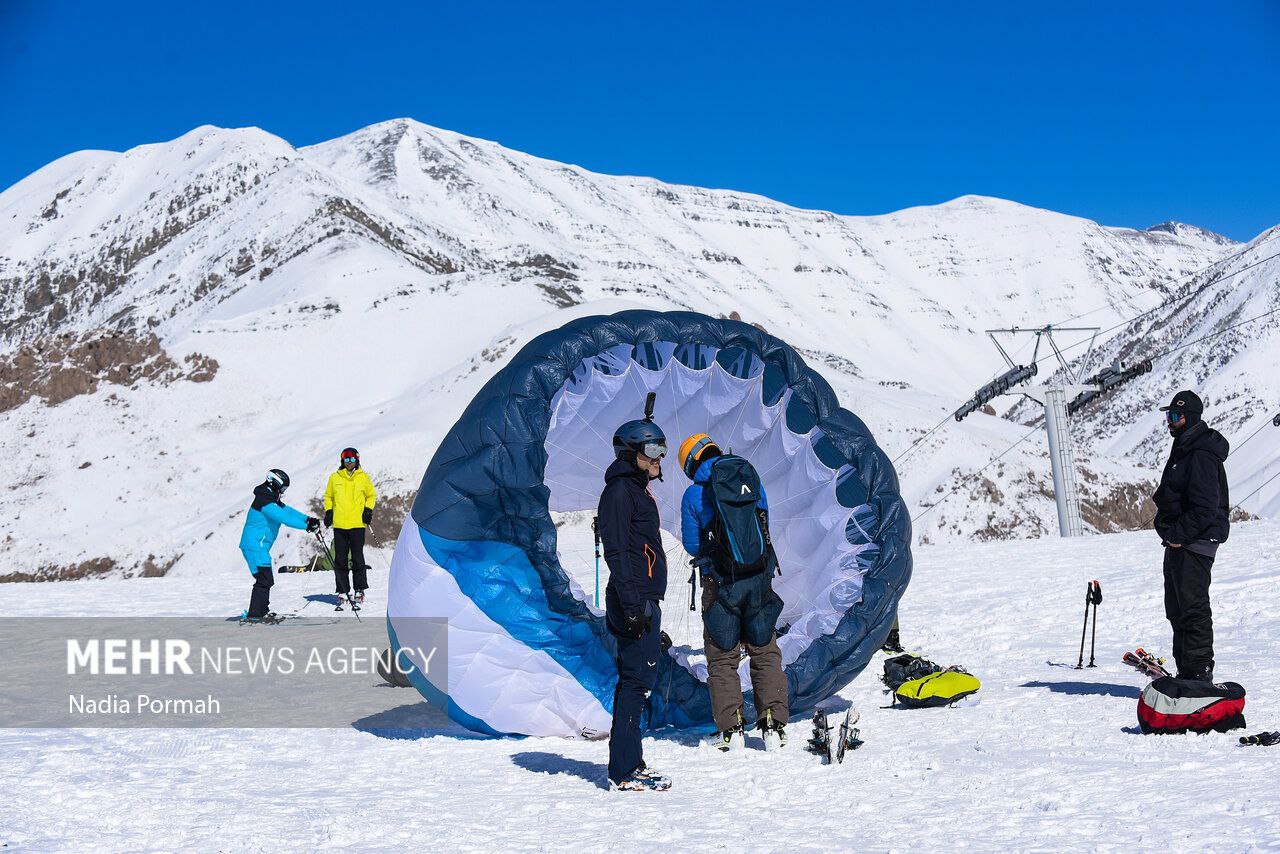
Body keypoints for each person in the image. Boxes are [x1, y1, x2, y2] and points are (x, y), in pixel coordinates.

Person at [677, 433, 788, 750]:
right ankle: (773, 725)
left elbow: (691, 544)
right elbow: (764, 520)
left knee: (722, 656)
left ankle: (731, 730)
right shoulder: (749, 477)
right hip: (759, 577)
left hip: (720, 583)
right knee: (764, 649)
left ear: (690, 463)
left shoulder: (694, 495)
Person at [597, 415, 671, 792]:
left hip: (644, 598)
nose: (660, 457)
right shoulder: (619, 492)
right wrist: (631, 605)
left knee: (641, 680)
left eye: (663, 449)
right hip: (633, 599)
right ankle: (623, 769)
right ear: (631, 452)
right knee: (634, 683)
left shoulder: (637, 489)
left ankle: (631, 761)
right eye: (653, 449)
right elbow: (618, 552)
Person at [1152, 390, 1230, 682]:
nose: (1169, 422)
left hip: (1194, 543)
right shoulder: (1184, 446)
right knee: (1176, 608)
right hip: (1181, 541)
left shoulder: (1200, 453)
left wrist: (1178, 535)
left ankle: (1198, 671)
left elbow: (1206, 507)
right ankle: (1185, 669)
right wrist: (1170, 532)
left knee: (1192, 607)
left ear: (1190, 418)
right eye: (1168, 416)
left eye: (1175, 416)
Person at [238, 469, 320, 624]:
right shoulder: (265, 502)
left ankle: (261, 612)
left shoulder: (269, 498)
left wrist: (308, 519)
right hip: (254, 546)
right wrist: (306, 526)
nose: (283, 492)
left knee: (265, 579)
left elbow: (287, 511)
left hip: (258, 546)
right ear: (273, 483)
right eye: (282, 488)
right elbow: (284, 518)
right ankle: (255, 614)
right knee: (264, 579)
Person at [323, 447, 378, 607]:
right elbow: (328, 496)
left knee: (357, 558)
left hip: (357, 524)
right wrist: (328, 511)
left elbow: (371, 495)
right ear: (342, 461)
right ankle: (342, 590)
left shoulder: (363, 478)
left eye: (352, 459)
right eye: (346, 459)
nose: (349, 462)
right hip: (339, 525)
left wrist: (368, 509)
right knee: (340, 558)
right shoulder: (334, 478)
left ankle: (359, 589)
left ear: (357, 460)